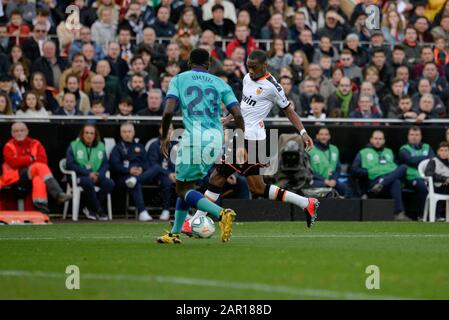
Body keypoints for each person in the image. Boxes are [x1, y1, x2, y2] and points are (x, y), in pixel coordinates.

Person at [189, 50, 319, 237]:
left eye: (254, 67)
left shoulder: (273, 87)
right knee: (257, 188)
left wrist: (304, 132)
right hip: (245, 135)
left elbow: (289, 111)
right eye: (248, 66)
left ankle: (194, 221)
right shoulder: (247, 78)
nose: (250, 70)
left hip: (250, 139)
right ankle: (306, 203)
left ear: (264, 65)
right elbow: (244, 106)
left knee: (217, 177)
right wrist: (229, 118)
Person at [156, 48, 244, 244]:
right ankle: (174, 233)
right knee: (185, 185)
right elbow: (238, 115)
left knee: (182, 190)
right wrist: (242, 139)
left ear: (189, 63)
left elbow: (169, 110)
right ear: (209, 65)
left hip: (194, 137)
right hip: (216, 137)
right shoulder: (220, 82)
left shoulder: (179, 79)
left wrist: (164, 137)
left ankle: (221, 214)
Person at [1, 122, 70, 213]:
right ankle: (58, 194)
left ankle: (41, 207)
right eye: (16, 131)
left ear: (27, 132)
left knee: (38, 177)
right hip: (14, 176)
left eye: (22, 130)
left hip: (32, 173)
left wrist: (24, 161)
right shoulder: (8, 146)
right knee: (38, 167)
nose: (19, 133)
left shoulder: (36, 143)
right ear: (12, 133)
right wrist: (31, 158)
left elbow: (43, 160)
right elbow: (13, 163)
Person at [351, 130, 411, 221]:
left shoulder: (389, 152)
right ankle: (399, 213)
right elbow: (354, 169)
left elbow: (394, 166)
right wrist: (369, 172)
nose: (378, 141)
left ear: (384, 141)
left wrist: (386, 177)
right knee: (396, 181)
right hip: (373, 183)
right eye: (375, 138)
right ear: (371, 140)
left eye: (380, 139)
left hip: (386, 182)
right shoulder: (363, 152)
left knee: (403, 168)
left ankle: (398, 214)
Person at [66, 124, 114, 221]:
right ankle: (99, 210)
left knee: (110, 183)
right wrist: (88, 173)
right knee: (88, 181)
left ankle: (90, 208)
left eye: (92, 133)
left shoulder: (101, 146)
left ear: (95, 135)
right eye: (86, 133)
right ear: (82, 134)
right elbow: (70, 164)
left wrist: (99, 174)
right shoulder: (74, 145)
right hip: (79, 176)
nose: (89, 135)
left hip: (96, 175)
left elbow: (105, 164)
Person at [110, 122, 154, 221]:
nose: (127, 134)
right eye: (124, 132)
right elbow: (114, 165)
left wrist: (141, 169)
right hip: (124, 177)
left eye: (129, 131)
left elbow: (147, 162)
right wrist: (129, 170)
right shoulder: (117, 148)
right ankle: (142, 212)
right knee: (133, 183)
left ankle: (136, 179)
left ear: (133, 132)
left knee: (155, 168)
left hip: (141, 174)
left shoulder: (140, 146)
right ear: (121, 133)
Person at [399, 127, 434, 219]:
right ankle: (422, 215)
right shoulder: (404, 149)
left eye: (417, 135)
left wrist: (419, 159)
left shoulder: (427, 146)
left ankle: (436, 215)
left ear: (421, 136)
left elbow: (433, 161)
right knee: (422, 186)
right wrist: (425, 157)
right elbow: (410, 161)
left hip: (428, 177)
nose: (414, 137)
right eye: (412, 135)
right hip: (411, 178)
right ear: (408, 136)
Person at [145, 125, 178, 221]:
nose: (168, 131)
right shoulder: (154, 145)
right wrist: (168, 173)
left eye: (170, 128)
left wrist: (177, 173)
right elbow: (153, 165)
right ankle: (166, 210)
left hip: (175, 174)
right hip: (159, 175)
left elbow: (181, 161)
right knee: (166, 181)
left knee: (183, 181)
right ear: (160, 130)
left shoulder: (178, 145)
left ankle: (183, 210)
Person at [307, 127, 351, 198]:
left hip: (332, 180)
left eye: (326, 134)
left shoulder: (334, 149)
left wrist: (334, 179)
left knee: (346, 190)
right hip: (316, 180)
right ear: (317, 136)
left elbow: (338, 168)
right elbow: (308, 170)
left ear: (329, 136)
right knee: (325, 189)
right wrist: (324, 180)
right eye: (321, 134)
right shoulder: (310, 149)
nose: (324, 137)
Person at [424, 141, 449, 221]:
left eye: (446, 150)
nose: (444, 152)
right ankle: (436, 215)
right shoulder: (433, 161)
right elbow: (428, 173)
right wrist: (444, 179)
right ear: (438, 151)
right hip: (436, 186)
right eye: (441, 150)